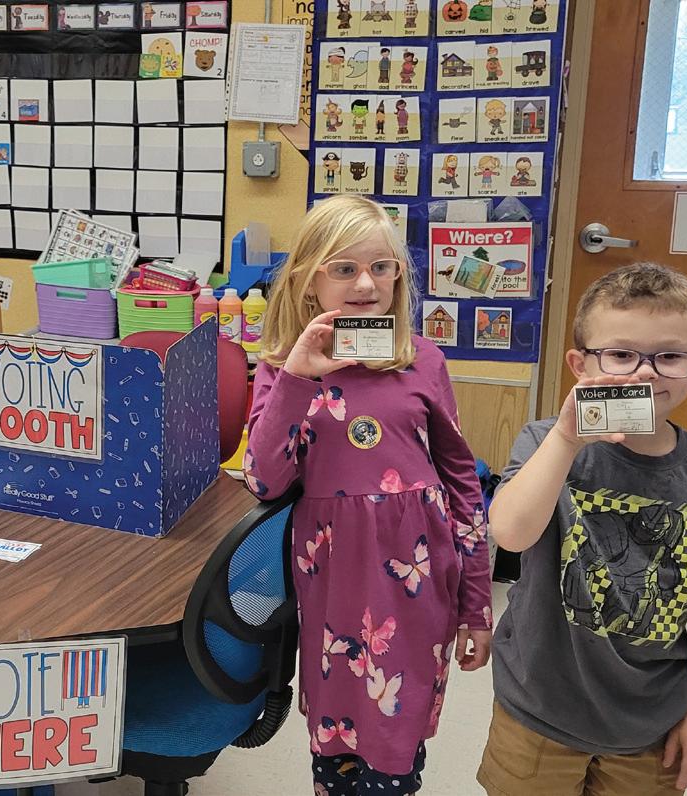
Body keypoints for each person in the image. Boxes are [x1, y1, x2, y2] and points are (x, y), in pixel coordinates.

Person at [243, 195, 492, 795]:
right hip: (334, 582)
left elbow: (462, 482)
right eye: (344, 268)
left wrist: (476, 604)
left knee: (397, 737)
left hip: (416, 579)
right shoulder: (283, 368)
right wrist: (300, 375)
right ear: (308, 280)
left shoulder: (423, 361)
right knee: (337, 739)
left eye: (381, 267)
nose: (365, 283)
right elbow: (264, 479)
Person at [480, 262, 687, 795]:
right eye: (622, 355)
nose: (646, 373)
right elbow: (510, 534)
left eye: (669, 356)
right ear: (580, 364)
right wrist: (566, 439)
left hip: (651, 720)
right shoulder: (546, 442)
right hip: (537, 707)